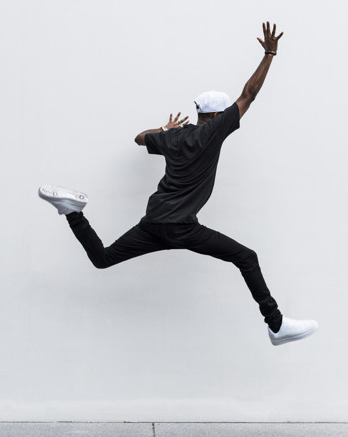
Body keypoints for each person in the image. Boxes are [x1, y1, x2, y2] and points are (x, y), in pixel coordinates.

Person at [39, 21, 318, 346]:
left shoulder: (174, 137)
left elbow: (140, 138)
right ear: (217, 117)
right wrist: (270, 53)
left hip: (155, 222)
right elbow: (249, 94)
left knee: (102, 259)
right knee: (247, 257)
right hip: (180, 226)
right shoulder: (213, 131)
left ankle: (73, 211)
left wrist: (163, 129)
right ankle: (276, 324)